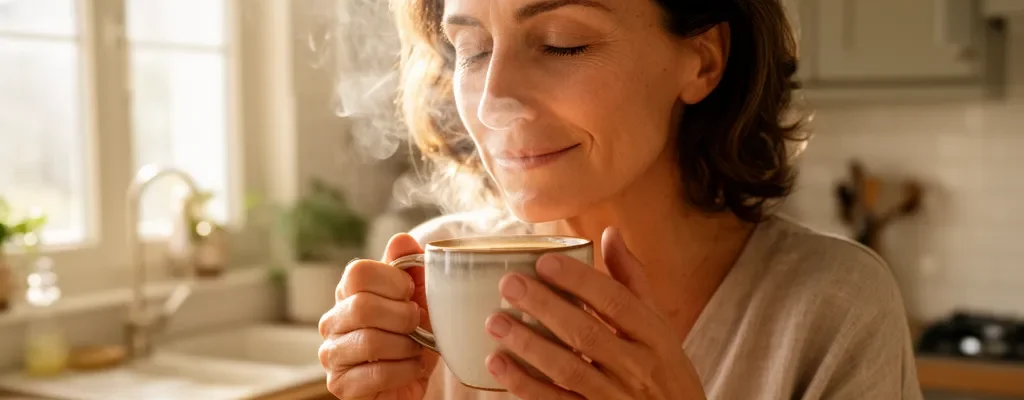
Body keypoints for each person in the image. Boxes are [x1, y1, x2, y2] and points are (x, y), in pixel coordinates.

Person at [318, 0, 923, 399]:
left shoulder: (834, 309)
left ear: (703, 60)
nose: (492, 101)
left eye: (561, 44)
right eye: (472, 50)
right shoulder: (427, 282)